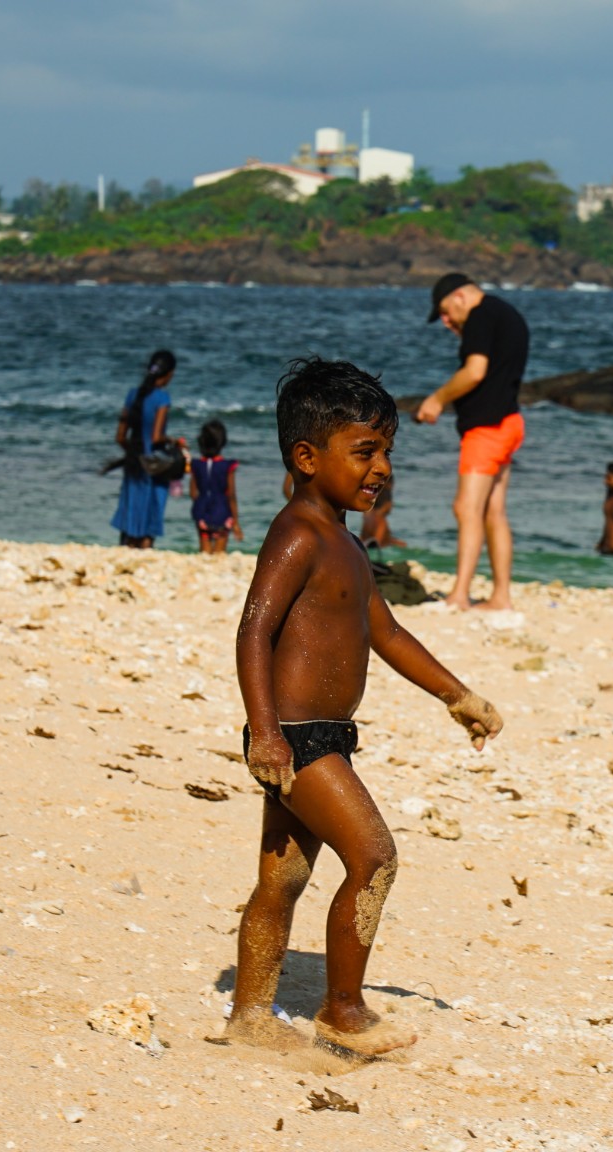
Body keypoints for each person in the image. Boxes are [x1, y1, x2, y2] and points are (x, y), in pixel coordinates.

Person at [220, 357, 503, 1057]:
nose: (381, 469)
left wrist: (456, 695)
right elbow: (254, 628)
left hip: (321, 735)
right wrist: (265, 733)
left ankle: (250, 1014)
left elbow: (387, 633)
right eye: (365, 451)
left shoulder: (344, 542)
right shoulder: (297, 535)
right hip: (293, 738)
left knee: (282, 877)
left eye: (387, 453)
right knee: (374, 856)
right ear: (308, 457)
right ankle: (342, 1010)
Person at [416, 272, 529, 611]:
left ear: (461, 297)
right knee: (493, 511)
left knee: (466, 508)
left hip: (487, 429)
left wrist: (437, 399)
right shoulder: (505, 313)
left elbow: (475, 371)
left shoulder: (480, 316)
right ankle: (501, 597)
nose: (446, 322)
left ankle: (460, 594)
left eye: (446, 312)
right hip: (510, 422)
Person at [110, 350, 184, 549]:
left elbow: (120, 436)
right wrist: (173, 441)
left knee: (130, 507)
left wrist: (133, 452)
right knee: (151, 508)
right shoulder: (162, 398)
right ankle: (145, 546)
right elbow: (156, 437)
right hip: (152, 465)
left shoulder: (133, 395)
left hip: (133, 462)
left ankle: (127, 545)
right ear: (168, 374)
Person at [190, 419, 240, 554]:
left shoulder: (196, 465)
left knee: (204, 551)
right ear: (222, 442)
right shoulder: (227, 466)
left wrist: (201, 503)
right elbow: (231, 495)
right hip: (222, 512)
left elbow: (193, 493)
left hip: (202, 510)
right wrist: (236, 522)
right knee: (219, 552)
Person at [357, 473, 405, 550]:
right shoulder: (381, 522)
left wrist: (392, 541)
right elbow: (376, 545)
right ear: (387, 504)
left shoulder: (367, 515)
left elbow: (364, 540)